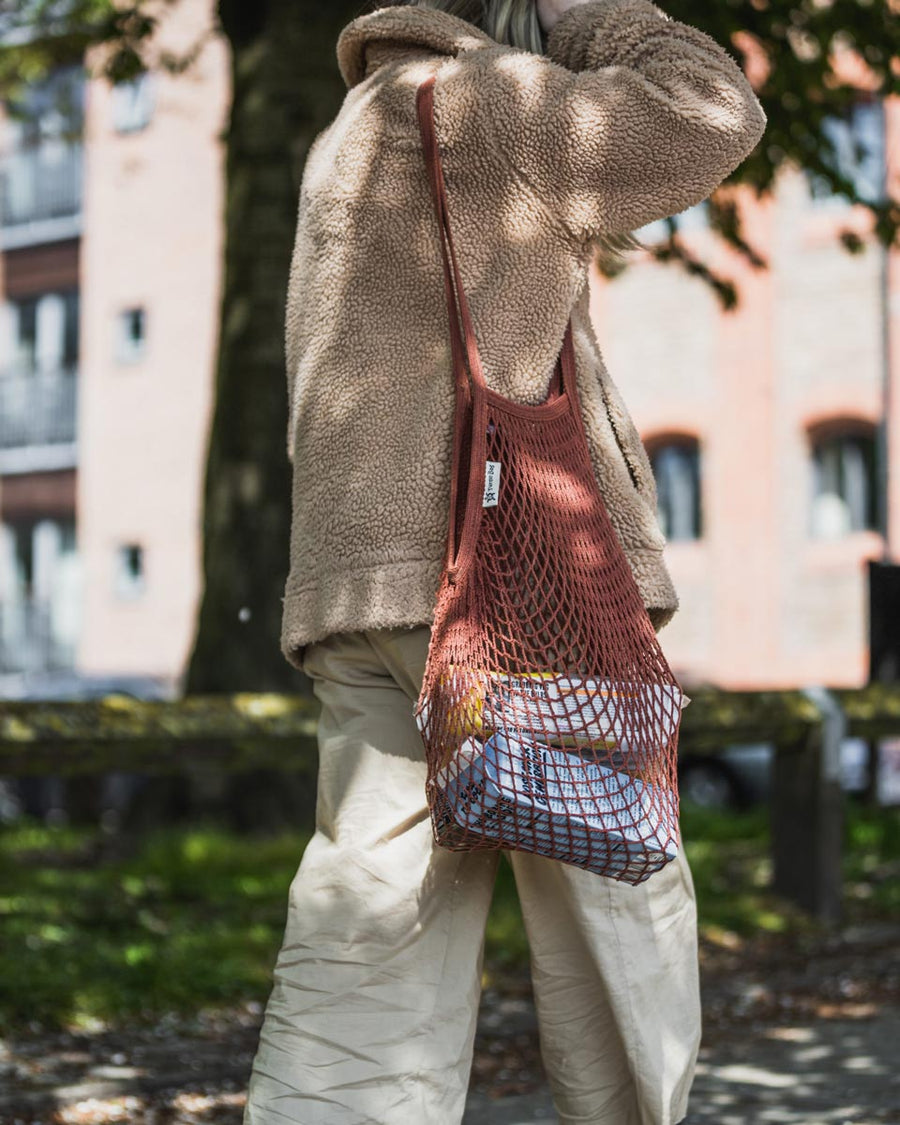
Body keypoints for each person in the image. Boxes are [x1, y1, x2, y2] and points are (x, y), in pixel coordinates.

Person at [243, 1, 766, 1122]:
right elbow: (716, 107)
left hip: (358, 597)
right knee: (614, 915)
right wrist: (592, 15)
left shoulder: (345, 132)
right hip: (517, 591)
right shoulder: (497, 106)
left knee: (369, 936)